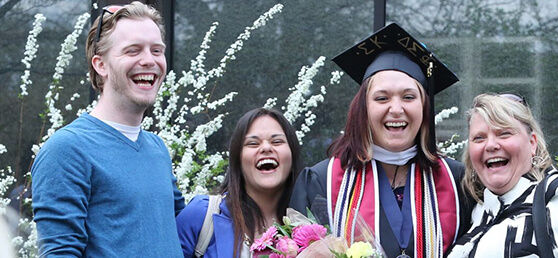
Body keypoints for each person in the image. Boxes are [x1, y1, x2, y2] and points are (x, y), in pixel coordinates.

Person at [289, 23, 473, 258]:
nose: (396, 109)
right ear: (363, 109)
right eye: (382, 98)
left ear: (424, 108)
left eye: (408, 97)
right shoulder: (322, 183)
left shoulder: (458, 182)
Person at [30, 2, 185, 256]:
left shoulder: (157, 148)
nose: (149, 60)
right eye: (133, 51)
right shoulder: (67, 150)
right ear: (100, 65)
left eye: (157, 50)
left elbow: (184, 231)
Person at [448, 93, 558, 257]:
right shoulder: (476, 212)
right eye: (479, 138)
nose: (490, 145)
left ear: (532, 143)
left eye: (504, 133)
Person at [176, 108, 302, 257]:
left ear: (292, 154)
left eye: (277, 141)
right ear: (238, 158)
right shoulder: (202, 215)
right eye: (253, 143)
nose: (267, 148)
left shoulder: (313, 226)